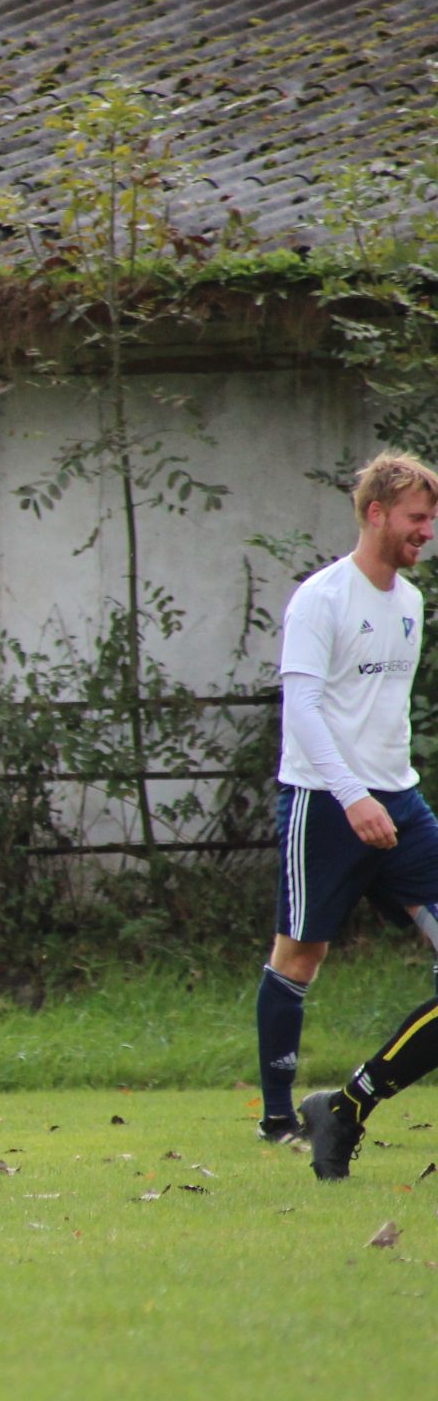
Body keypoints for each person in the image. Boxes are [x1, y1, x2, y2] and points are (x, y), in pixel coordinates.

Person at [276, 451, 438, 1179]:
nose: (427, 531)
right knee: (299, 955)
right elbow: (303, 707)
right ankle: (282, 1113)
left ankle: (342, 1108)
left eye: (431, 518)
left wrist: (390, 786)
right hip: (328, 801)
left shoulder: (411, 602)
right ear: (375, 513)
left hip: (400, 803)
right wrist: (350, 793)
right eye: (416, 518)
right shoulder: (321, 598)